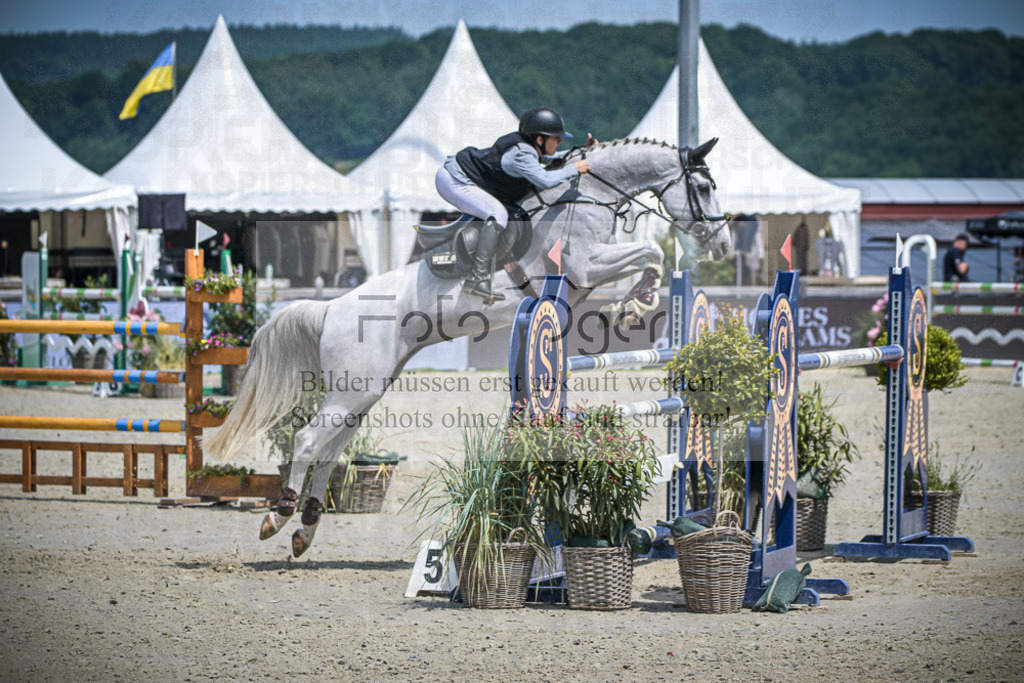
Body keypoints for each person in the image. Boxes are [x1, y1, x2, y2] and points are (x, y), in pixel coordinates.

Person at [435, 107, 597, 301]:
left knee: (499, 212)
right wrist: (573, 169)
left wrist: (581, 150)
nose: (560, 141)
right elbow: (545, 179)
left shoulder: (529, 149)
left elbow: (551, 159)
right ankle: (476, 278)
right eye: (556, 138)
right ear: (539, 139)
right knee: (497, 214)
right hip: (454, 179)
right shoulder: (522, 153)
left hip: (460, 176)